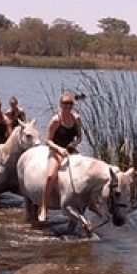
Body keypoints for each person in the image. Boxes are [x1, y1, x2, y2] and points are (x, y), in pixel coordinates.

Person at [39, 92, 83, 222]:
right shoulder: (56, 120)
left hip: (70, 150)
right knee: (50, 176)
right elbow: (47, 140)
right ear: (60, 105)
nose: (68, 107)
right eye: (65, 104)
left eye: (70, 104)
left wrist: (74, 143)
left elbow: (80, 137)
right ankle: (44, 207)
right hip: (56, 150)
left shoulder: (77, 119)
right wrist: (59, 149)